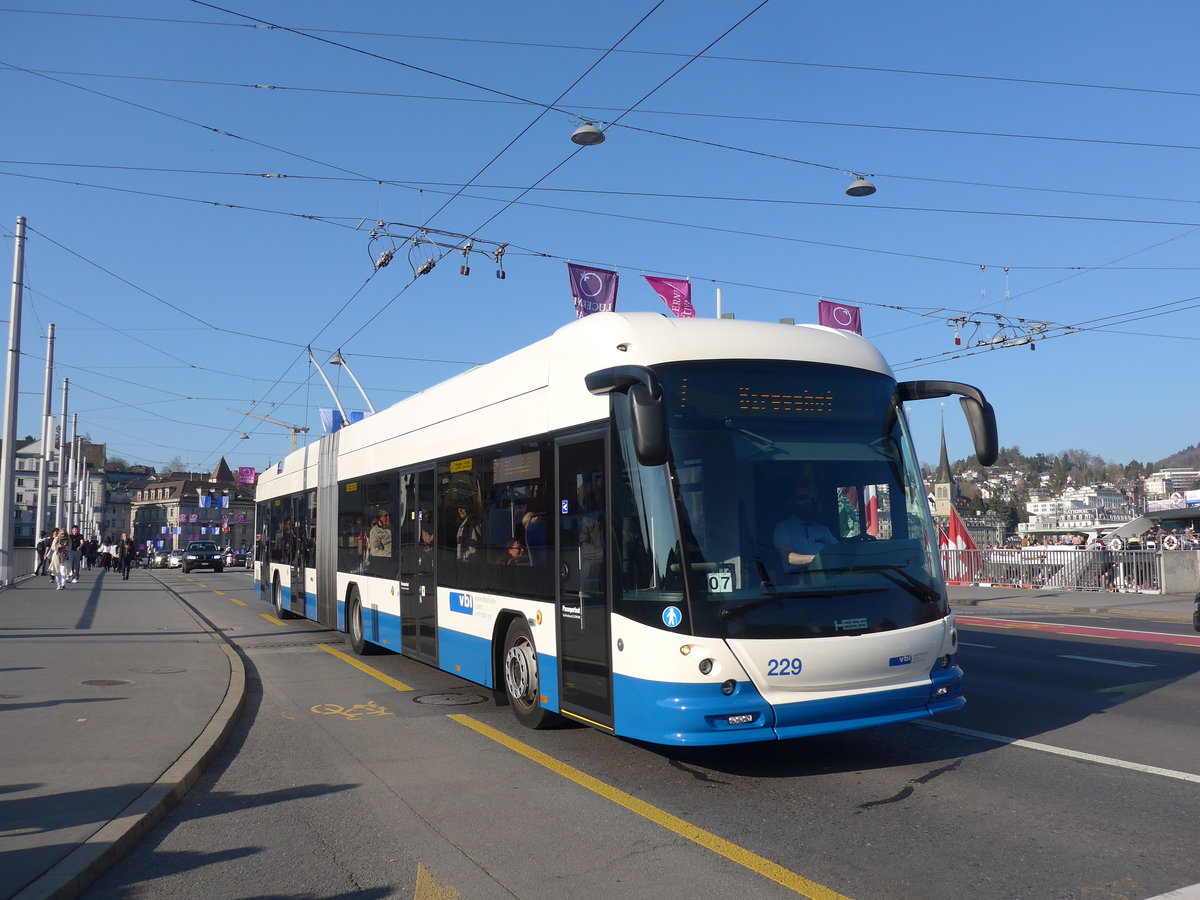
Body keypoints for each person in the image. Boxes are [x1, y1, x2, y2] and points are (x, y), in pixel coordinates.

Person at [774, 486, 838, 574]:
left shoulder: (823, 530)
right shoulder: (783, 528)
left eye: (811, 498)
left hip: (826, 578)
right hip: (797, 581)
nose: (808, 501)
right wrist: (819, 559)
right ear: (791, 502)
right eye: (802, 498)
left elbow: (838, 551)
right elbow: (788, 557)